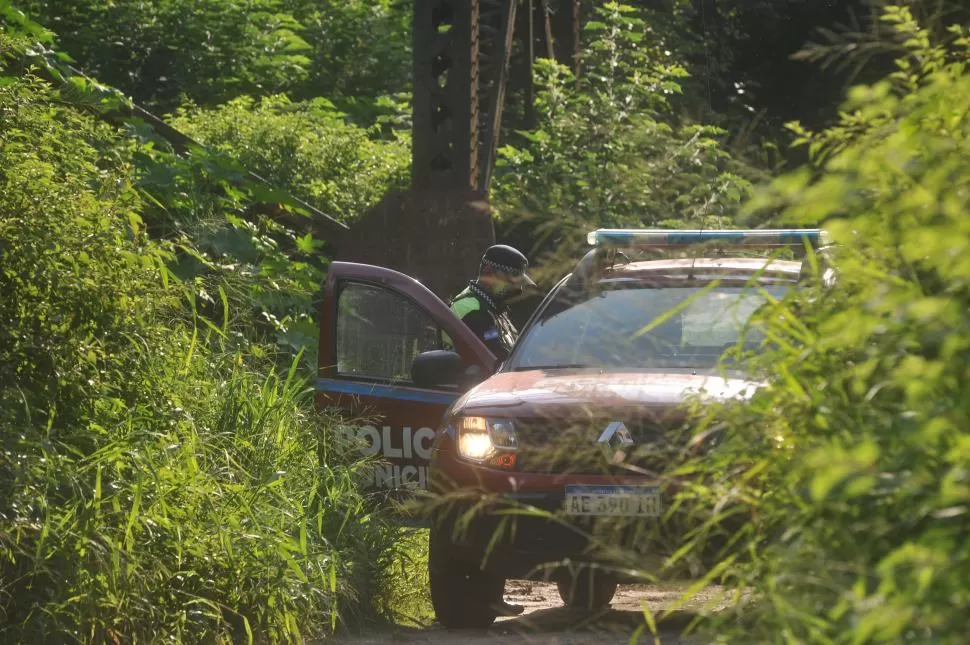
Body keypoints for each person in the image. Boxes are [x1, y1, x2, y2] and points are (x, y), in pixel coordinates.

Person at [449, 244, 536, 362]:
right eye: (510, 280)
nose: (518, 289)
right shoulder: (474, 311)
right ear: (488, 273)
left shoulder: (490, 304)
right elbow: (499, 359)